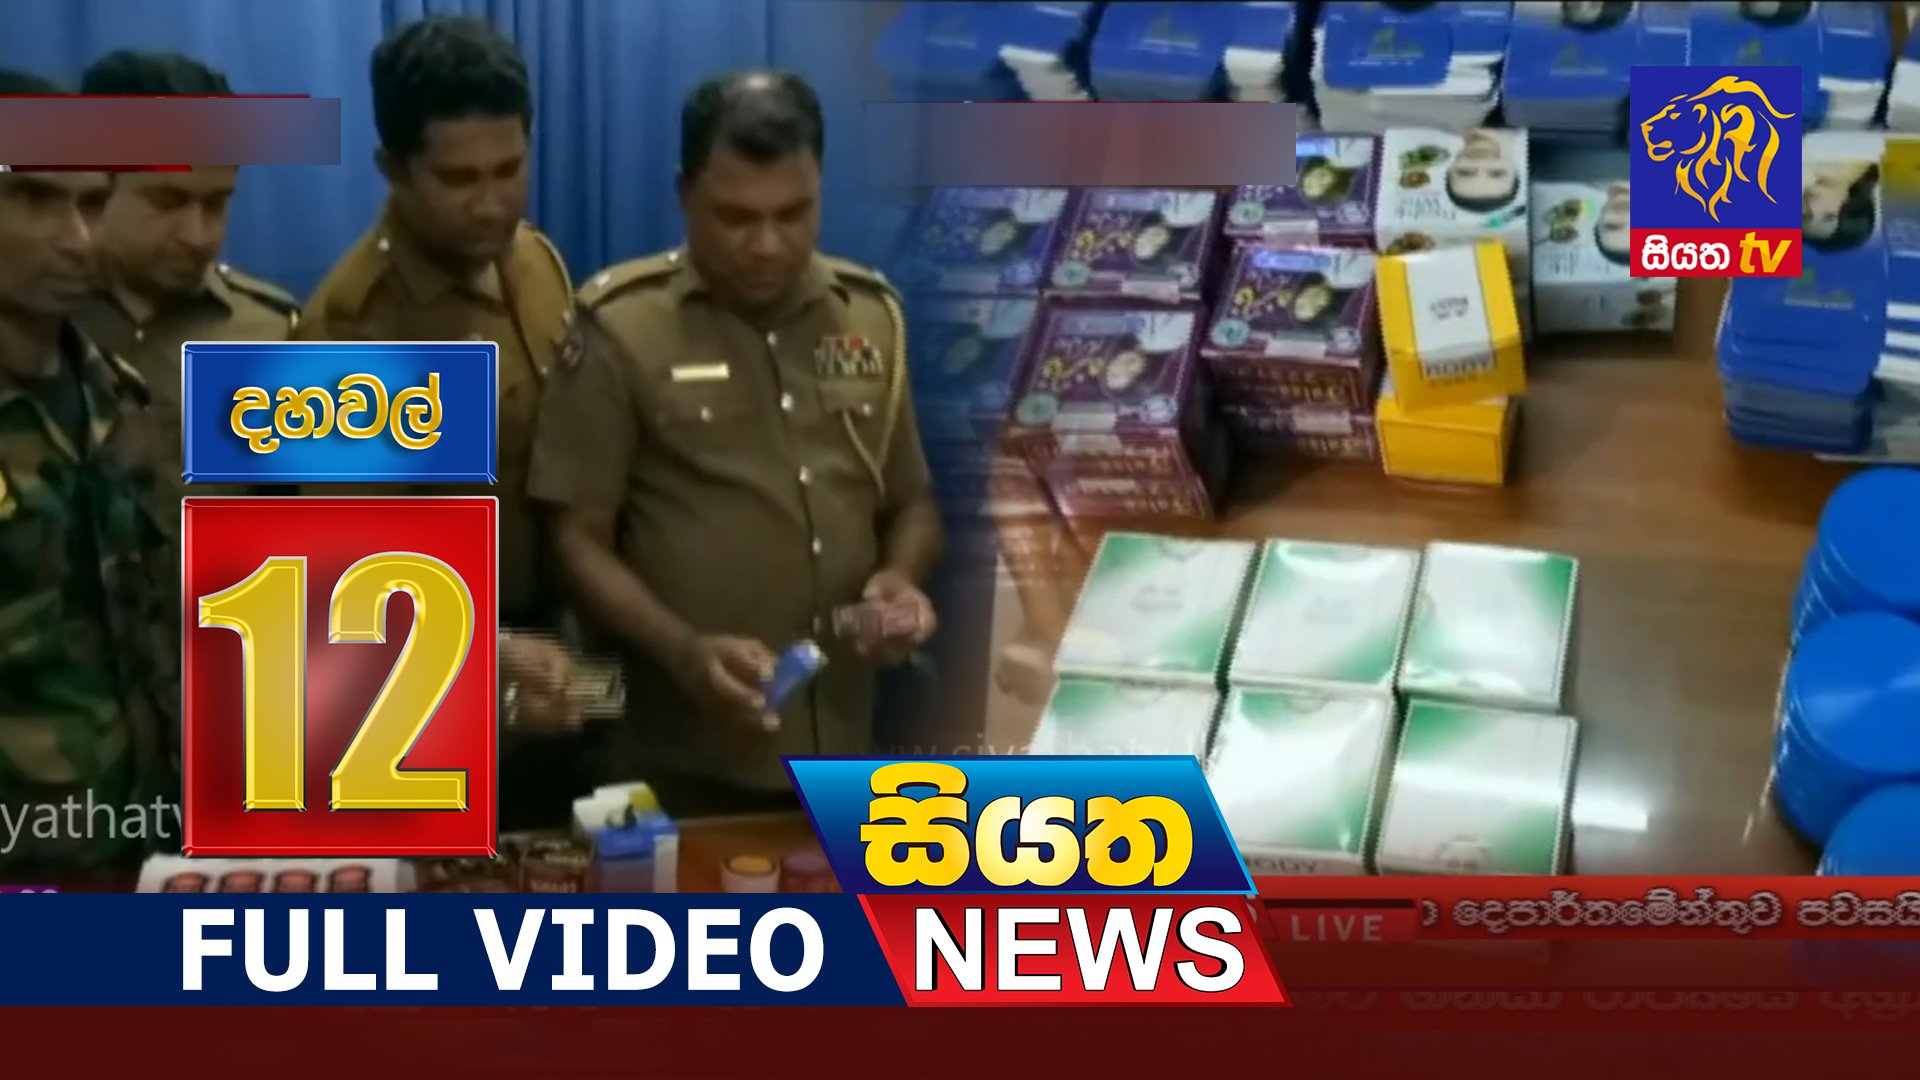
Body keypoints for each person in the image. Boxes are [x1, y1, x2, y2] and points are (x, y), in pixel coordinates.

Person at [529, 71, 944, 818]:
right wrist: (683, 650)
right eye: (736, 217)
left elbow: (911, 503)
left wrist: (900, 580)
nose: (768, 245)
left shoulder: (871, 318)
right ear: (685, 195)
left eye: (794, 213)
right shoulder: (622, 326)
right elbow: (575, 540)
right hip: (678, 767)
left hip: (845, 758)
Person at [294, 16, 582, 825]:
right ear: (394, 169)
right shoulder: (352, 331)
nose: (492, 204)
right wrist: (494, 652)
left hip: (561, 668)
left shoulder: (535, 262)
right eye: (459, 179)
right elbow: (345, 574)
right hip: (426, 691)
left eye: (509, 169)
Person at [0, 70, 178, 879]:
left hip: (140, 842)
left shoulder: (116, 397)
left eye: (93, 203)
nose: (77, 239)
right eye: (33, 198)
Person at [73, 50, 302, 510]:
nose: (198, 236)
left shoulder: (276, 334)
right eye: (167, 201)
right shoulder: (31, 324)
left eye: (216, 204)